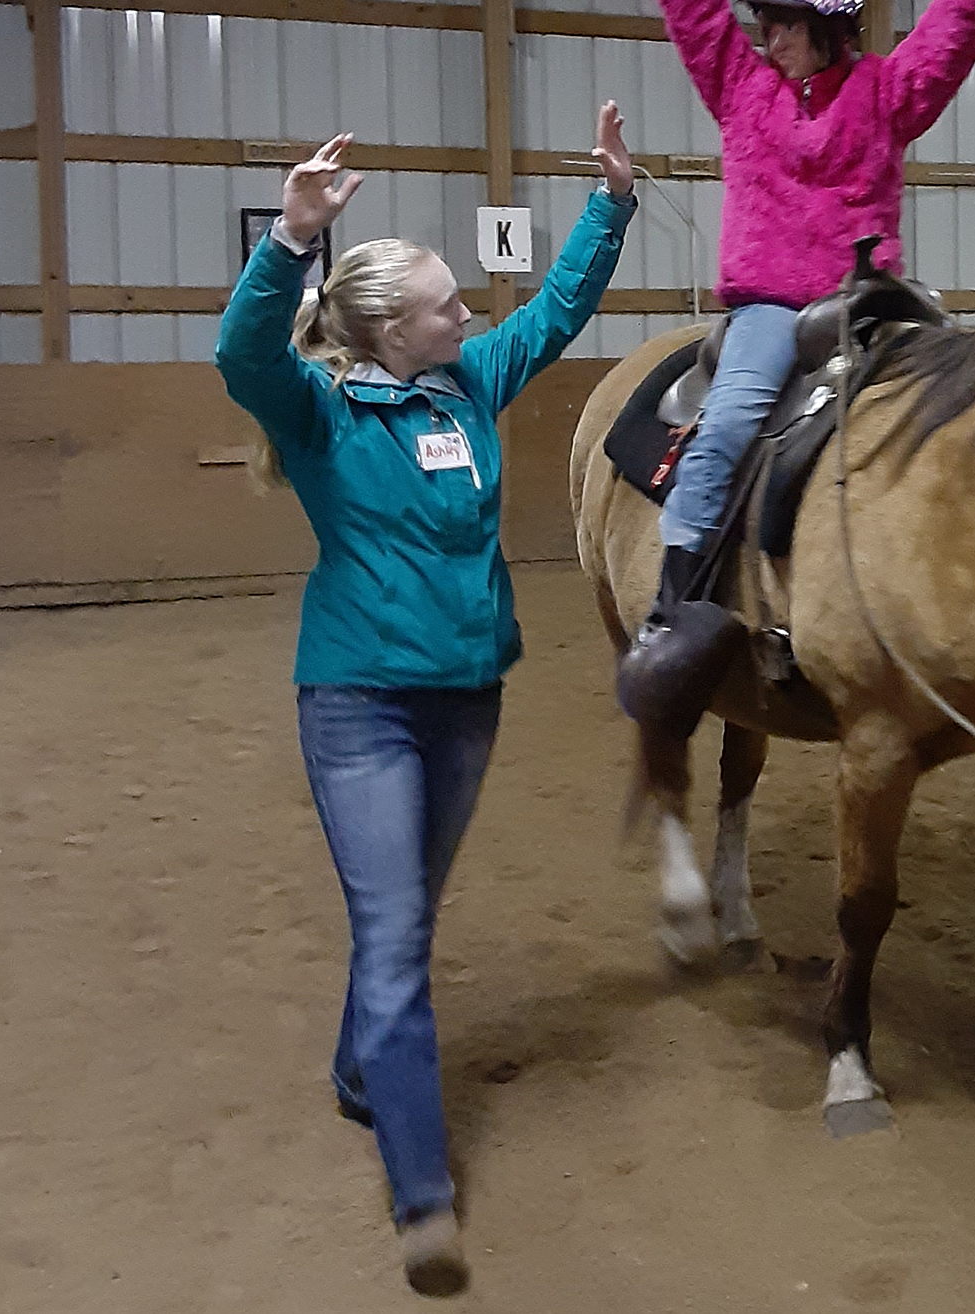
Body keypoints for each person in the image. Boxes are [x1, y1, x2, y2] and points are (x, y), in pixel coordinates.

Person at [215, 108, 637, 1295]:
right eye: (447, 305)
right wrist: (289, 240)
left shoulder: (462, 385)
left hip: (465, 699)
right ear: (391, 330)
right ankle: (423, 1196)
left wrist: (609, 204)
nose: (468, 317)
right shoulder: (323, 410)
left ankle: (361, 1069)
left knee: (405, 914)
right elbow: (242, 357)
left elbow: (552, 314)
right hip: (358, 702)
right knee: (396, 931)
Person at [618, 0, 975, 729]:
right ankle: (672, 613)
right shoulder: (737, 85)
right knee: (722, 436)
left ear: (833, 27)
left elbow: (948, 40)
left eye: (789, 23)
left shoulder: (886, 90)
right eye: (766, 21)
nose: (771, 36)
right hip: (771, 308)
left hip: (872, 303)